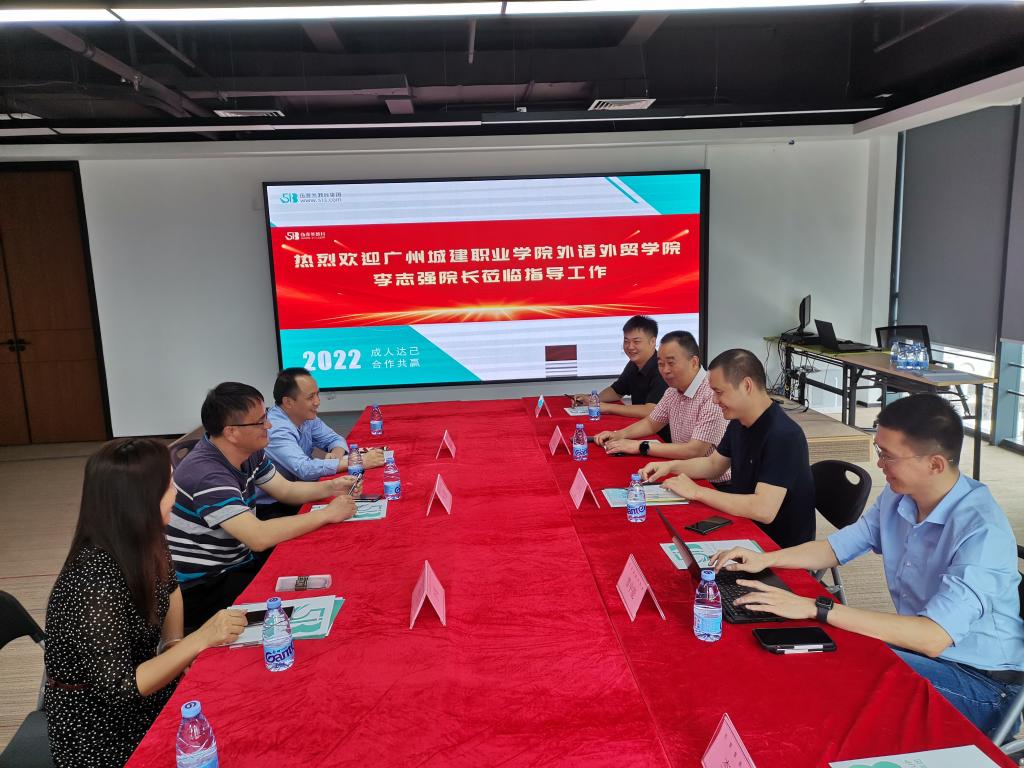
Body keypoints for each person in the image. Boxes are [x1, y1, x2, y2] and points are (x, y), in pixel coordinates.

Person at [710, 394, 1024, 737]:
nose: (879, 463)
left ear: (935, 464)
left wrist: (817, 607)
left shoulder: (981, 532)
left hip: (982, 685)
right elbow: (835, 548)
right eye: (879, 450)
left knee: (841, 674)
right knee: (816, 649)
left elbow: (933, 637)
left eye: (888, 455)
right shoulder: (899, 497)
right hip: (919, 650)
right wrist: (766, 558)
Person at [43, 438, 247, 767]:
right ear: (140, 500)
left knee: (237, 707)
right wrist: (199, 639)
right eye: (168, 485)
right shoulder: (93, 583)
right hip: (101, 732)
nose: (176, 493)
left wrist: (174, 643)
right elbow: (119, 689)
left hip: (146, 692)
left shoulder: (145, 538)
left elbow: (171, 588)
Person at [168, 382, 358, 631]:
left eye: (265, 416)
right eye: (260, 422)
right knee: (304, 602)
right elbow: (258, 537)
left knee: (321, 565)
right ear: (231, 432)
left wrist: (332, 487)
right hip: (206, 586)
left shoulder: (249, 452)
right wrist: (327, 514)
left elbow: (286, 490)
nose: (269, 426)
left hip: (239, 561)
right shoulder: (207, 475)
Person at [641, 348, 815, 548]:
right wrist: (670, 467)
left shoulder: (784, 435)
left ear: (746, 386)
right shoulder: (739, 421)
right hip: (744, 524)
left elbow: (763, 510)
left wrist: (697, 492)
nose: (714, 400)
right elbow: (714, 465)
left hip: (777, 546)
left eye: (719, 392)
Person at [594, 332, 729, 483]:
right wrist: (619, 434)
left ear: (694, 362)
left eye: (671, 363)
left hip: (714, 483)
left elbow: (694, 450)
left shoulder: (711, 394)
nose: (665, 370)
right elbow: (651, 423)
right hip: (683, 473)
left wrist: (640, 446)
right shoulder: (673, 391)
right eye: (660, 364)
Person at [255, 368, 384, 520]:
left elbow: (335, 439)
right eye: (310, 397)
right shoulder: (276, 429)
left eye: (317, 394)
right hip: (273, 506)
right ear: (288, 402)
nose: (317, 402)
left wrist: (336, 456)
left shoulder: (305, 416)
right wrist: (357, 462)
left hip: (301, 491)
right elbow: (304, 468)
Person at [572, 316, 670, 437]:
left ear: (653, 342)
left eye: (636, 342)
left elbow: (651, 410)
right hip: (640, 428)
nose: (630, 347)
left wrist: (608, 408)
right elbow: (616, 391)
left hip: (661, 437)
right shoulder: (634, 364)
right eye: (626, 341)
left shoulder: (662, 368)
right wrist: (593, 400)